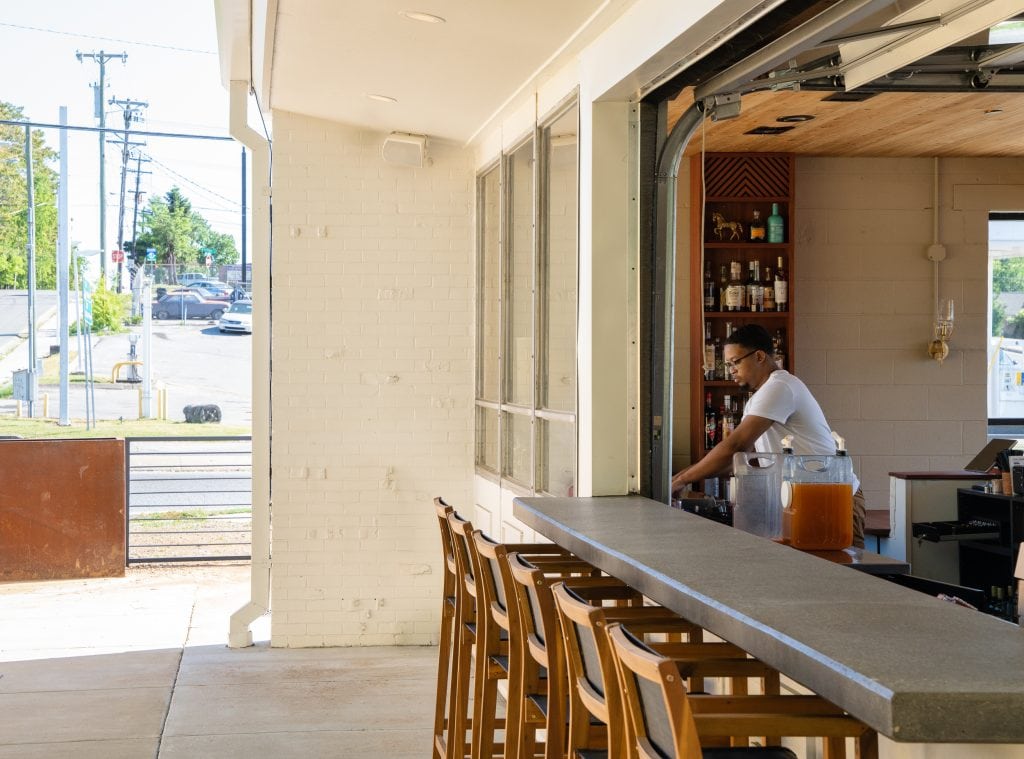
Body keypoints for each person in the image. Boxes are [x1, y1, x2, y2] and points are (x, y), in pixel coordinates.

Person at [672, 324, 866, 548]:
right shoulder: (761, 396)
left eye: (735, 362)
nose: (731, 370)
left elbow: (735, 445)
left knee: (837, 570)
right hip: (806, 500)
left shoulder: (780, 387)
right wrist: (678, 478)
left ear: (759, 356)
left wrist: (680, 481)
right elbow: (737, 459)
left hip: (834, 501)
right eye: (728, 365)